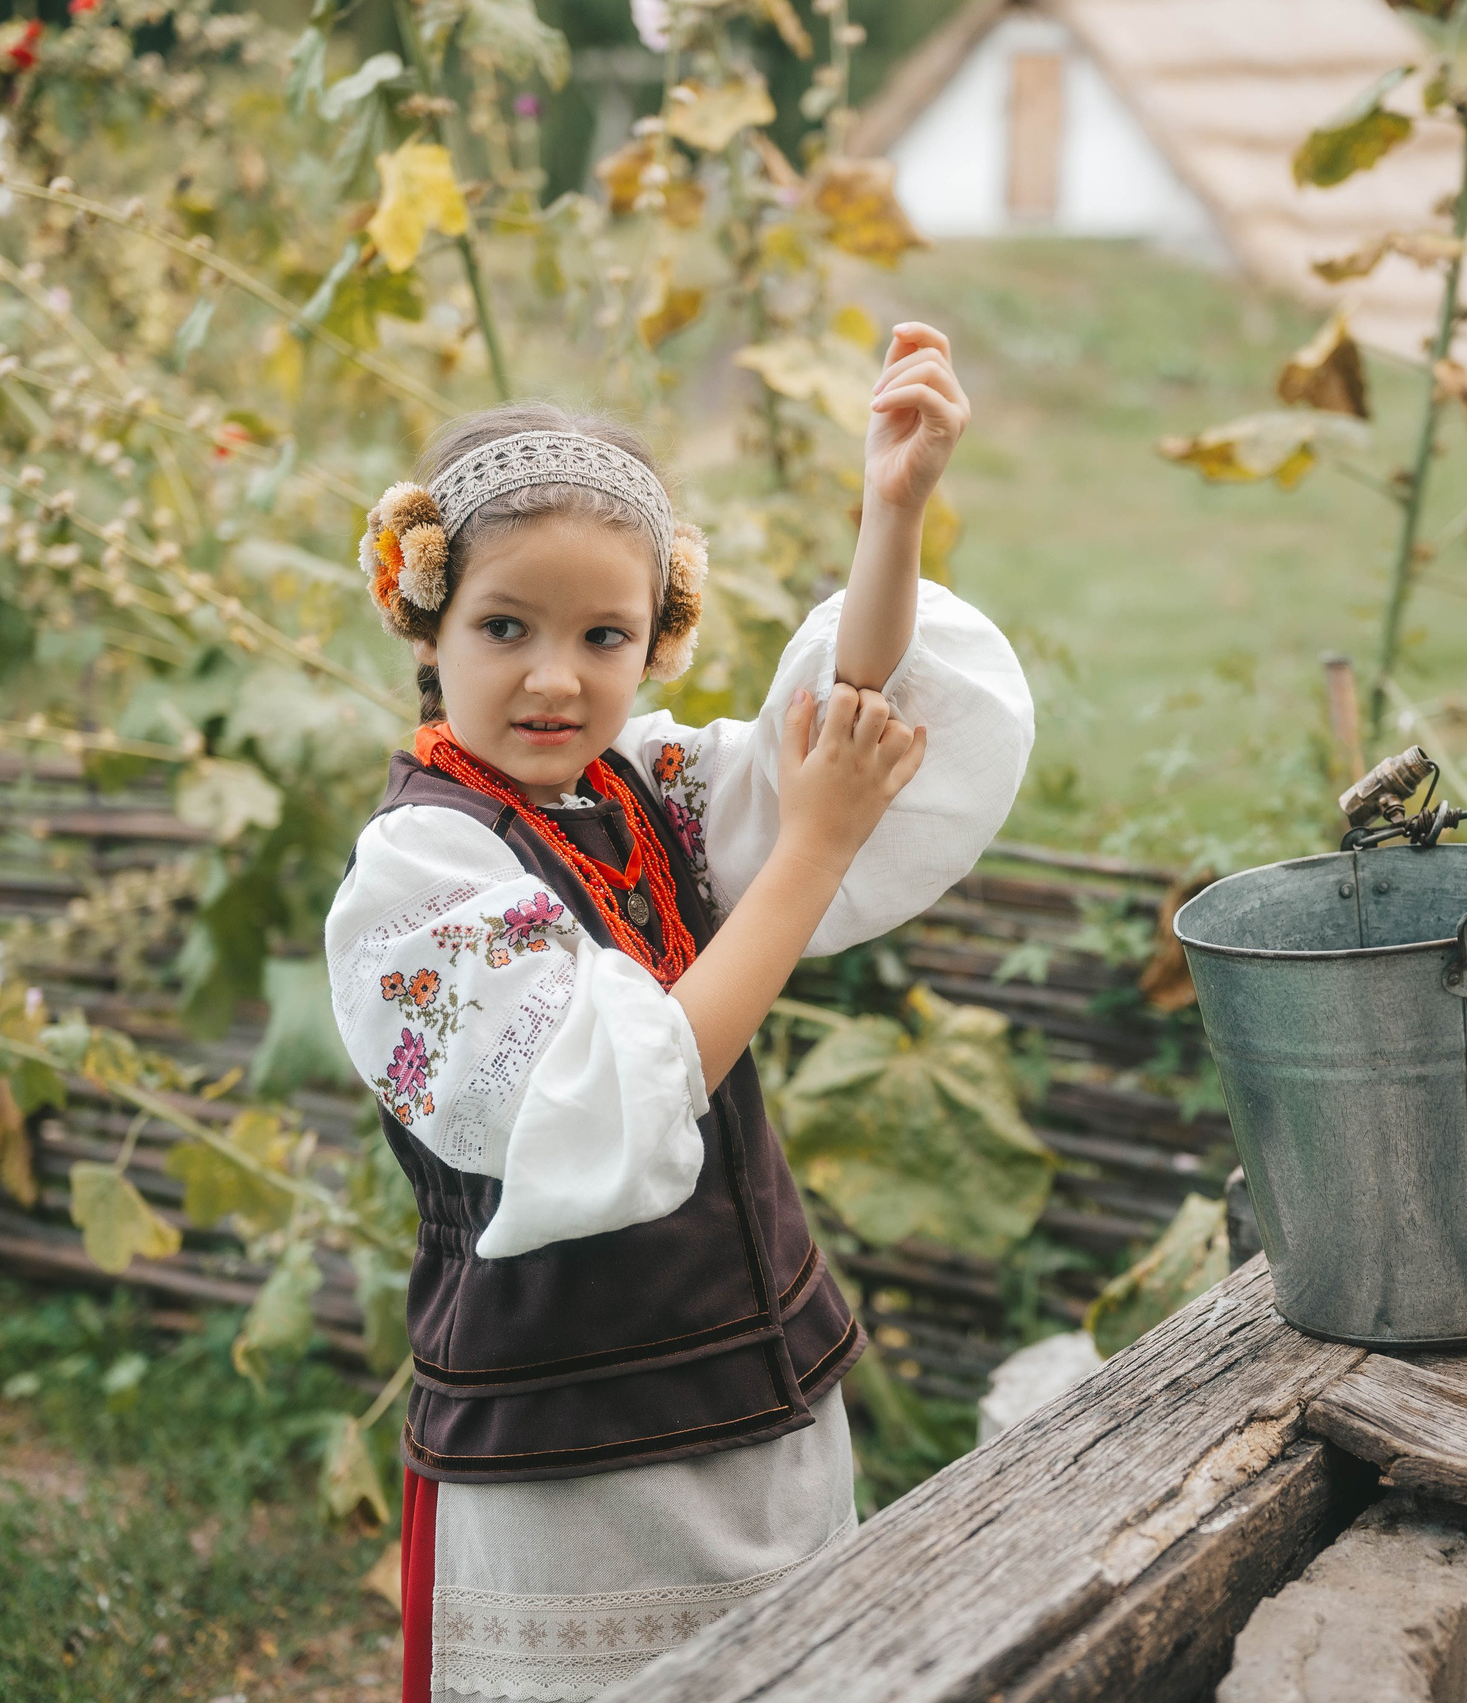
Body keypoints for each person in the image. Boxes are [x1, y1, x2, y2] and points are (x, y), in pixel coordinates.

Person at [323, 324, 1033, 1703]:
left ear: (656, 640)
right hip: (575, 1440)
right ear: (425, 620)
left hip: (760, 1378)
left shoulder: (642, 786)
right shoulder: (422, 877)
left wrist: (892, 511)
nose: (556, 677)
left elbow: (846, 719)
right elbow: (624, 1093)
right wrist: (817, 847)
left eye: (605, 636)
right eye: (506, 627)